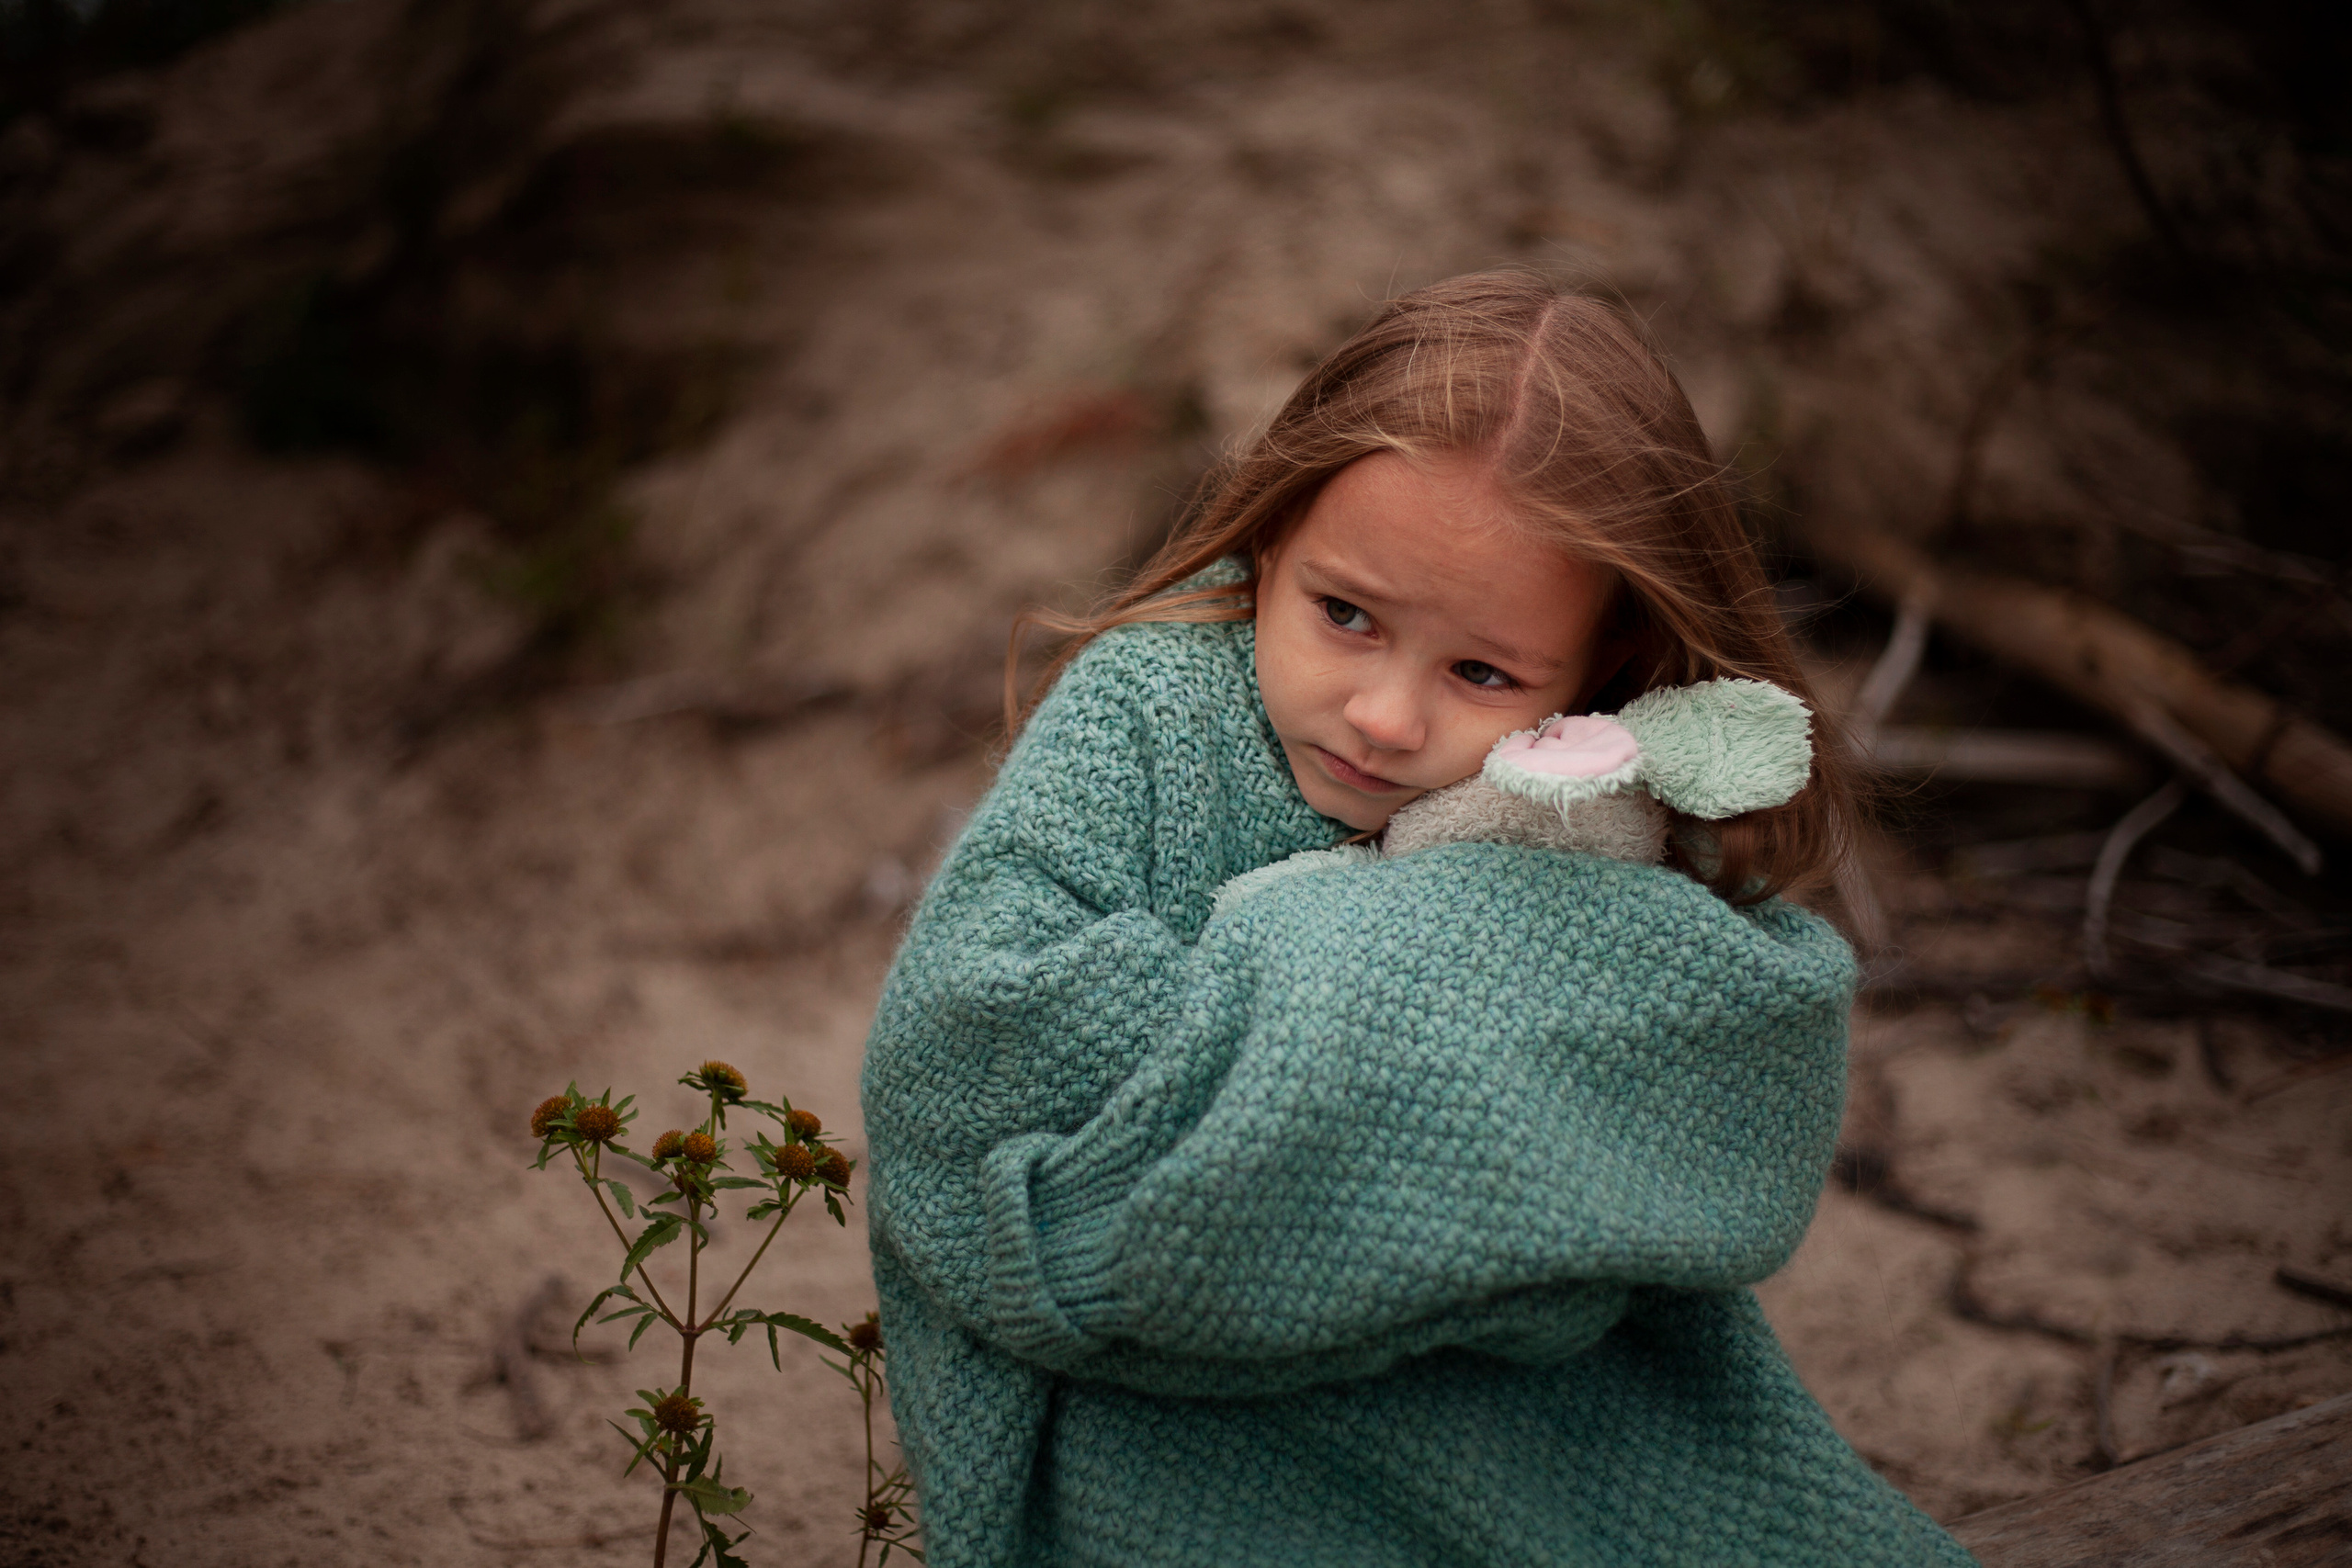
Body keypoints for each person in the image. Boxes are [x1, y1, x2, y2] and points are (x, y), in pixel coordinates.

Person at [859, 271, 1972, 1567]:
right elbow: (956, 1047)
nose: (1385, 717)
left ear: (1603, 666)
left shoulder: (1580, 791)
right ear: (1273, 533)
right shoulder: (1149, 711)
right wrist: (1356, 981)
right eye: (1345, 615)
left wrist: (1396, 1062)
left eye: (1481, 671)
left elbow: (1726, 1064)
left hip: (1499, 1388)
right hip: (1149, 1387)